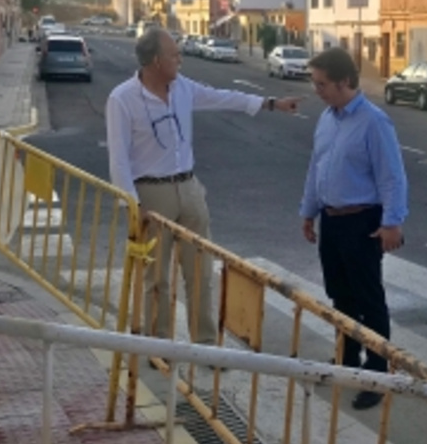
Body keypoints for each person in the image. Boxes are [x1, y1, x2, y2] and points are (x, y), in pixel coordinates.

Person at [107, 28, 301, 348]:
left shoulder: (183, 88)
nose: (180, 59)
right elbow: (119, 159)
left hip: (189, 187)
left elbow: (223, 96)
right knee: (155, 277)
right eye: (174, 55)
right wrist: (132, 205)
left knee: (200, 272)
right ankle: (160, 347)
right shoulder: (123, 98)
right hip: (151, 195)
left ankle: (206, 344)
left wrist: (270, 103)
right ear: (156, 61)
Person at [300, 47, 408, 410]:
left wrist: (392, 223)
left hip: (362, 222)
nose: (318, 90)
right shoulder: (328, 119)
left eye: (322, 84)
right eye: (315, 83)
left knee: (368, 299)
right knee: (340, 296)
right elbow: (317, 168)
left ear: (345, 81)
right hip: (332, 220)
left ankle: (378, 374)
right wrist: (309, 211)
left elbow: (391, 176)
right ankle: (347, 361)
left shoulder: (373, 122)